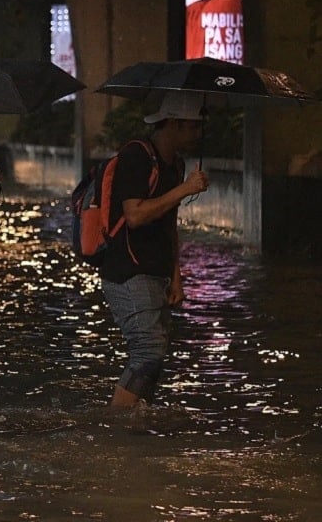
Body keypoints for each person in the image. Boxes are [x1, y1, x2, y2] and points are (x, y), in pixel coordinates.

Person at [99, 91, 209, 409]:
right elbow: (134, 215)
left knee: (156, 352)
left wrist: (177, 277)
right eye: (192, 127)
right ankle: (114, 423)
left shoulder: (175, 164)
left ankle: (136, 421)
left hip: (157, 271)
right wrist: (185, 189)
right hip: (129, 271)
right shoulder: (136, 155)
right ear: (172, 123)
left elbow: (168, 225)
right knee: (149, 349)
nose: (197, 134)